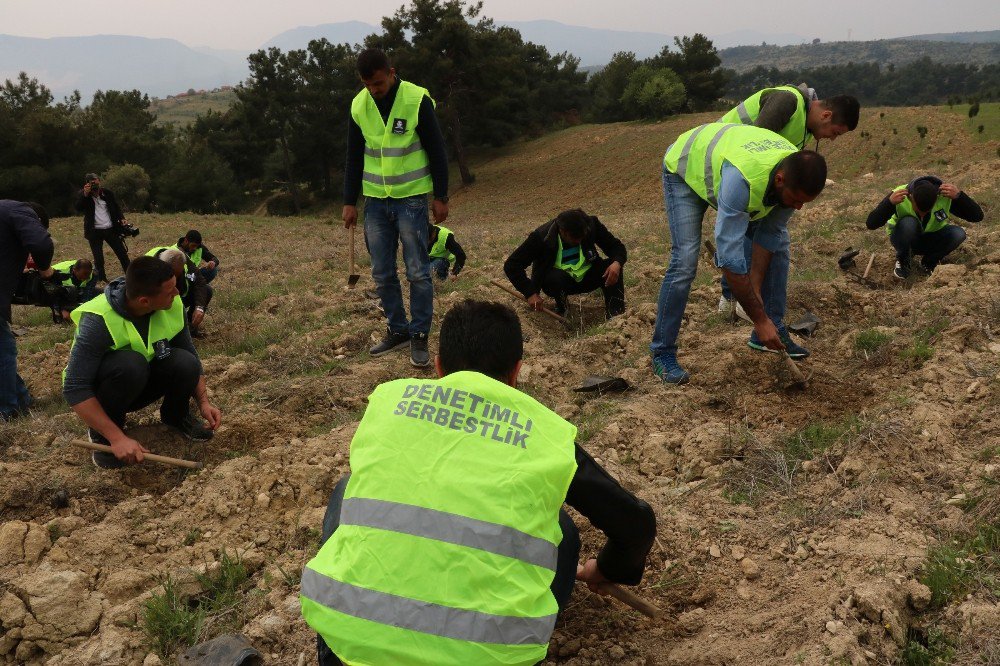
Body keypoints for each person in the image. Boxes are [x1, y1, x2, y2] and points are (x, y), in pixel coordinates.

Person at [301, 299, 656, 666]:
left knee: (349, 489)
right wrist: (608, 568)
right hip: (489, 657)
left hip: (350, 647)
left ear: (438, 368)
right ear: (516, 373)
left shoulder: (388, 403)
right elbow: (636, 524)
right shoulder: (545, 435)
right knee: (559, 528)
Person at [650, 123, 828, 384]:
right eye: (796, 200)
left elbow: (768, 237)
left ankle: (769, 332)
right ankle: (662, 352)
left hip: (728, 166)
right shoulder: (742, 181)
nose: (799, 207)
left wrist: (755, 297)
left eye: (805, 202)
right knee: (685, 262)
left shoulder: (792, 177)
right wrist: (758, 317)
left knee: (778, 247)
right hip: (686, 168)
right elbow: (730, 260)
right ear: (779, 180)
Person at [342, 47, 450, 368]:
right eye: (367, 85)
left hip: (412, 199)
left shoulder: (417, 100)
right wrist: (350, 201)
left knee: (417, 270)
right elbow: (353, 156)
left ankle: (419, 335)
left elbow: (437, 150)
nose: (373, 90)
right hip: (375, 201)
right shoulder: (359, 106)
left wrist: (441, 196)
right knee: (382, 271)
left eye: (377, 83)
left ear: (391, 72)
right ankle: (398, 329)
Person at [62, 256, 221, 469]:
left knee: (186, 361)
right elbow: (75, 387)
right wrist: (117, 438)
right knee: (130, 363)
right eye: (170, 291)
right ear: (145, 301)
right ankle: (104, 436)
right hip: (104, 392)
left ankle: (176, 416)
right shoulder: (98, 319)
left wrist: (203, 402)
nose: (177, 293)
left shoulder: (171, 305)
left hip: (141, 380)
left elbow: (189, 352)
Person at [718, 86, 860, 316]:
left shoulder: (806, 127)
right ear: (826, 115)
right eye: (835, 132)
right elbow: (754, 146)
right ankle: (737, 298)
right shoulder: (787, 102)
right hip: (729, 166)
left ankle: (741, 299)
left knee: (768, 232)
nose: (832, 139)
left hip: (753, 176)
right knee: (755, 231)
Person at [504, 209, 627, 318]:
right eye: (574, 238)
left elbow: (616, 247)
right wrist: (530, 293)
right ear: (562, 231)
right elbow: (512, 265)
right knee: (554, 279)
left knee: (613, 266)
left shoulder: (591, 224)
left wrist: (617, 263)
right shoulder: (541, 237)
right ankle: (563, 310)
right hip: (560, 283)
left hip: (589, 276)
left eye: (581, 237)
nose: (579, 241)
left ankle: (616, 315)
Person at [866, 175, 984, 279]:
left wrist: (959, 197)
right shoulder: (900, 194)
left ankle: (928, 263)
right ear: (911, 197)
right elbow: (871, 224)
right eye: (918, 210)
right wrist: (889, 203)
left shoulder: (945, 195)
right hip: (904, 239)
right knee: (909, 224)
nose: (922, 215)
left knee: (958, 234)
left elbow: (977, 216)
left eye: (927, 211)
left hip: (931, 239)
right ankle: (904, 261)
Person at [1, 201, 53, 420]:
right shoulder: (20, 211)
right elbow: (41, 244)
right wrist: (45, 270)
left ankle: (22, 399)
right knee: (3, 350)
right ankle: (7, 410)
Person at [75, 173, 131, 282]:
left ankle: (130, 275)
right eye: (91, 183)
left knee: (122, 254)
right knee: (99, 259)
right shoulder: (83, 195)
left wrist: (121, 217)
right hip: (94, 231)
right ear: (87, 184)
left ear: (99, 181)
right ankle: (102, 279)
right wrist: (85, 195)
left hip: (111, 229)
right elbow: (78, 208)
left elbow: (116, 206)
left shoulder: (107, 193)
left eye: (95, 181)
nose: (94, 185)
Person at [147, 246, 212, 335]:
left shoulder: (181, 258)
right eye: (173, 275)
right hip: (158, 303)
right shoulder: (149, 268)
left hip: (178, 297)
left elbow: (200, 282)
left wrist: (199, 307)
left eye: (178, 274)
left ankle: (190, 327)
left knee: (207, 290)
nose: (176, 278)